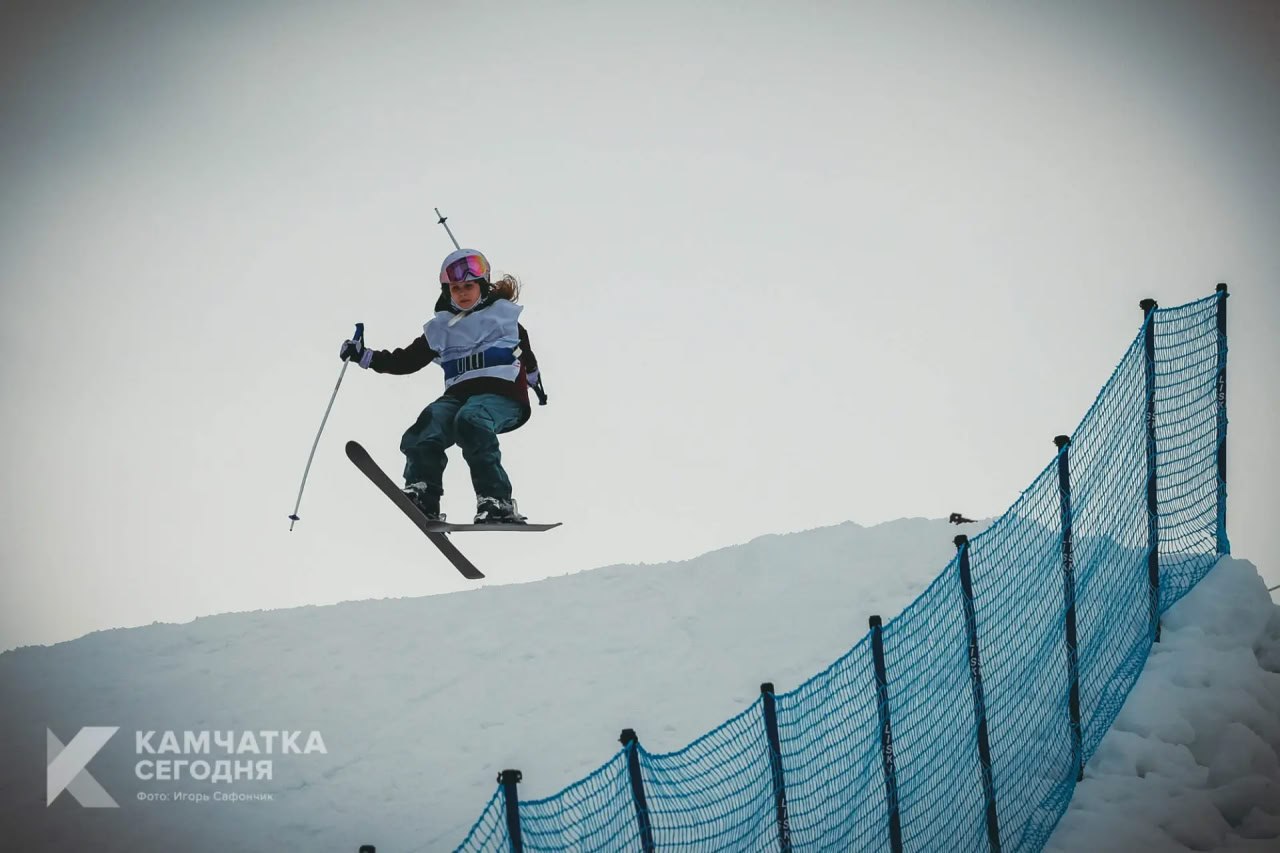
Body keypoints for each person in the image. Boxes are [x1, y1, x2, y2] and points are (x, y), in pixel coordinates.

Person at [339, 248, 543, 524]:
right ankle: (424, 491)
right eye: (455, 288)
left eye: (468, 286)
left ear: (482, 286)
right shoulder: (442, 329)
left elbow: (527, 358)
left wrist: (534, 380)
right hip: (459, 396)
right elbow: (405, 360)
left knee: (470, 420)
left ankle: (497, 500)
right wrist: (365, 356)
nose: (462, 293)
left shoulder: (503, 319)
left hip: (502, 396)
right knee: (429, 423)